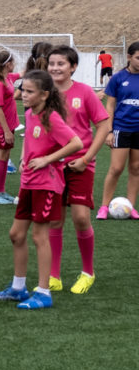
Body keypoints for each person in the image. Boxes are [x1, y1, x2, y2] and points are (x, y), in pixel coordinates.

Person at [0, 70, 83, 309]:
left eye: (29, 92)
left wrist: (46, 160)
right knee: (16, 234)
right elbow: (30, 141)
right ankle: (18, 288)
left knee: (38, 236)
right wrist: (24, 158)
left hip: (47, 184)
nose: (23, 95)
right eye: (23, 90)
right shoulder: (31, 113)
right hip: (29, 183)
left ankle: (44, 292)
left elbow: (76, 143)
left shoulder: (51, 116)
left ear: (44, 94)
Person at [46, 46, 110, 293]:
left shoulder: (84, 92)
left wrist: (87, 158)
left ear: (73, 67)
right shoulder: (44, 93)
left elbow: (103, 125)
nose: (55, 68)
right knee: (54, 221)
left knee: (81, 218)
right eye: (52, 63)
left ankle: (87, 272)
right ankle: (54, 275)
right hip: (51, 165)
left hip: (81, 165)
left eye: (61, 63)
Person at [99, 41, 139, 220]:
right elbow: (109, 105)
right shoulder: (118, 78)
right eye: (138, 58)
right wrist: (109, 131)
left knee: (136, 169)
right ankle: (104, 207)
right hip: (121, 128)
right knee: (116, 169)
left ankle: (131, 207)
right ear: (129, 57)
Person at [0, 51, 20, 204]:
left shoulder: (8, 78)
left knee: (5, 156)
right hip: (2, 126)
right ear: (8, 64)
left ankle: (0, 191)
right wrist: (6, 130)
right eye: (13, 62)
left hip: (9, 124)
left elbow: (22, 73)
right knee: (1, 156)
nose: (15, 65)